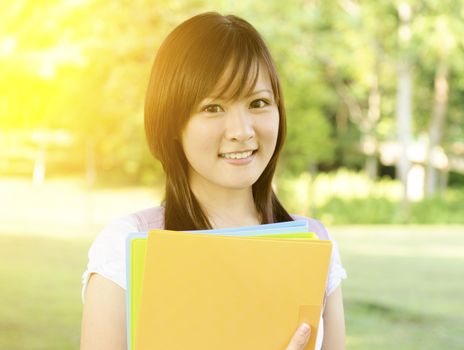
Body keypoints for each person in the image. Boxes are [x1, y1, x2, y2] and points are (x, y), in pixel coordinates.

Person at [80, 12, 347, 350]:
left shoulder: (315, 243)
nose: (241, 131)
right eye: (212, 108)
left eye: (258, 103)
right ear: (173, 122)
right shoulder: (125, 248)